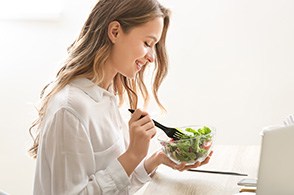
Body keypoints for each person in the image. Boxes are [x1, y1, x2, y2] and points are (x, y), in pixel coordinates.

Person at [28, 0, 212, 194]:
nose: (152, 57)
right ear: (115, 32)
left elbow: (116, 186)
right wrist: (133, 154)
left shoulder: (108, 97)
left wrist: (156, 159)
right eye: (147, 43)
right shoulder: (70, 109)